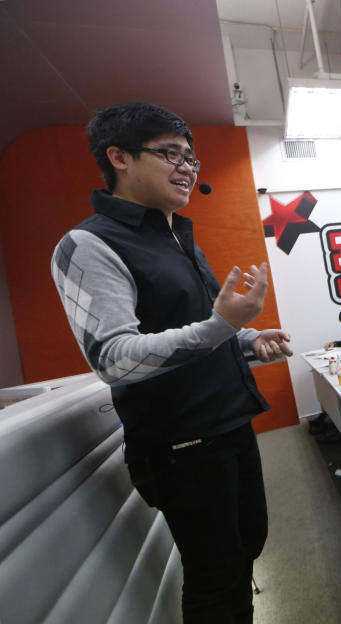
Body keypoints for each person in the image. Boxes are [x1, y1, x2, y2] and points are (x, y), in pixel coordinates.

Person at [50, 102, 293, 623]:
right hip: (181, 447)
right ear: (118, 157)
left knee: (247, 548)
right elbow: (114, 358)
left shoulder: (178, 234)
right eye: (169, 154)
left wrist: (248, 341)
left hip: (229, 424)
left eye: (191, 158)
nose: (187, 167)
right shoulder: (88, 244)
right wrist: (222, 326)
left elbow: (194, 331)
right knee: (213, 574)